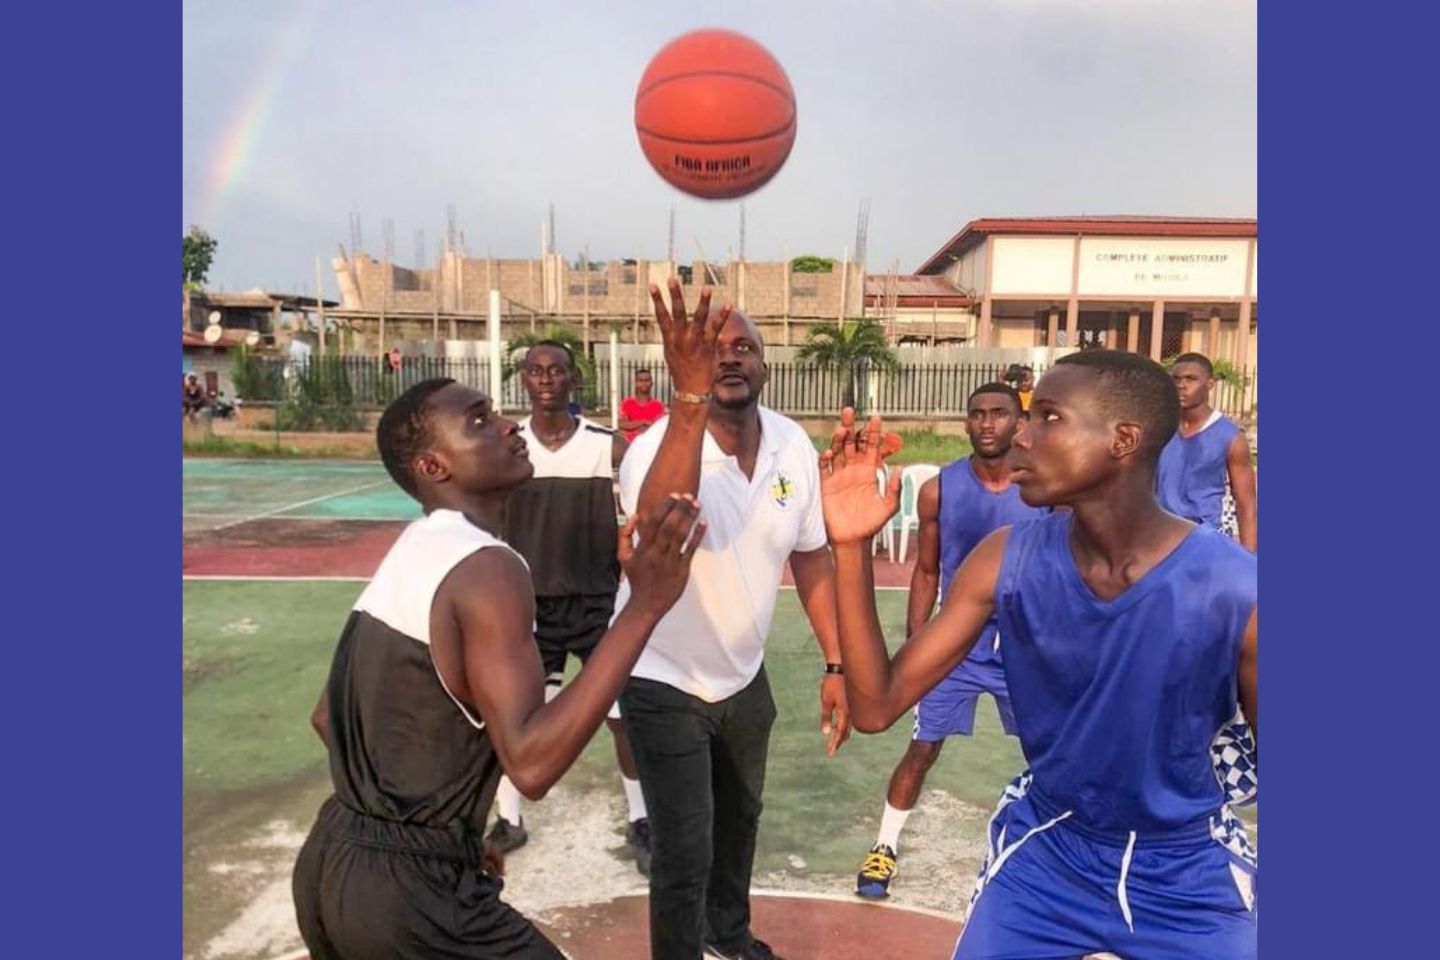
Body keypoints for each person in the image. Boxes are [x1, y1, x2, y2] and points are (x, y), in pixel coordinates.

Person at [819, 350, 1258, 960]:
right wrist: (849, 547)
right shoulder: (1006, 559)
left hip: (1189, 873)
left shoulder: (1239, 589)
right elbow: (874, 706)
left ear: (1123, 440)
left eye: (1047, 417)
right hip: (1053, 847)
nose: (1019, 436)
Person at [292, 377, 706, 960]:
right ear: (434, 466)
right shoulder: (489, 567)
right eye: (480, 421)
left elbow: (324, 719)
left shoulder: (416, 547)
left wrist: (442, 835)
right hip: (409, 895)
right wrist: (644, 605)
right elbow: (531, 765)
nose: (509, 424)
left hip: (329, 862)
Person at [613, 280, 850, 960]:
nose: (730, 359)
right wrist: (687, 406)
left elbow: (811, 558)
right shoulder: (654, 448)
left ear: (766, 365)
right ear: (685, 366)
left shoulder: (791, 446)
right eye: (712, 350)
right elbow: (662, 523)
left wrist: (835, 663)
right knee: (684, 849)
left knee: (740, 822)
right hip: (664, 677)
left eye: (744, 347)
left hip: (745, 677)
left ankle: (729, 934)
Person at [854, 383, 1045, 900]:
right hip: (956, 644)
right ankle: (884, 847)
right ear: (965, 423)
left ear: (1018, 423)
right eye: (977, 415)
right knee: (921, 747)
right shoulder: (940, 488)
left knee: (1053, 752)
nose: (987, 423)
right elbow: (924, 570)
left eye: (999, 414)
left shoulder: (1042, 487)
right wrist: (918, 644)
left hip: (1026, 648)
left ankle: (1065, 857)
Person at [487, 339, 652, 876]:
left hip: (597, 605)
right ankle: (507, 819)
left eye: (556, 371)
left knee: (622, 718)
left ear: (573, 379)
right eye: (536, 371)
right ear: (525, 381)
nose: (546, 379)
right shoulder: (507, 448)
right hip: (527, 609)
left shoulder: (609, 447)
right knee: (516, 717)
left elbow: (640, 519)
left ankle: (641, 817)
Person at [1157, 352, 1257, 551]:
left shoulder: (1230, 436)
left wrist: (1249, 563)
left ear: (1210, 384)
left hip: (1203, 540)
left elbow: (1247, 505)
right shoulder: (1159, 428)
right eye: (1176, 379)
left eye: (1190, 379)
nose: (1181, 386)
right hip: (1158, 536)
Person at [618, 368, 666, 442]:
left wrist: (634, 426)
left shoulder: (659, 406)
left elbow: (661, 427)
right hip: (629, 445)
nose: (644, 383)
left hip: (653, 444)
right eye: (640, 380)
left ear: (652, 383)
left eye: (647, 380)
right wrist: (643, 422)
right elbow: (621, 424)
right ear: (635, 383)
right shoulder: (626, 404)